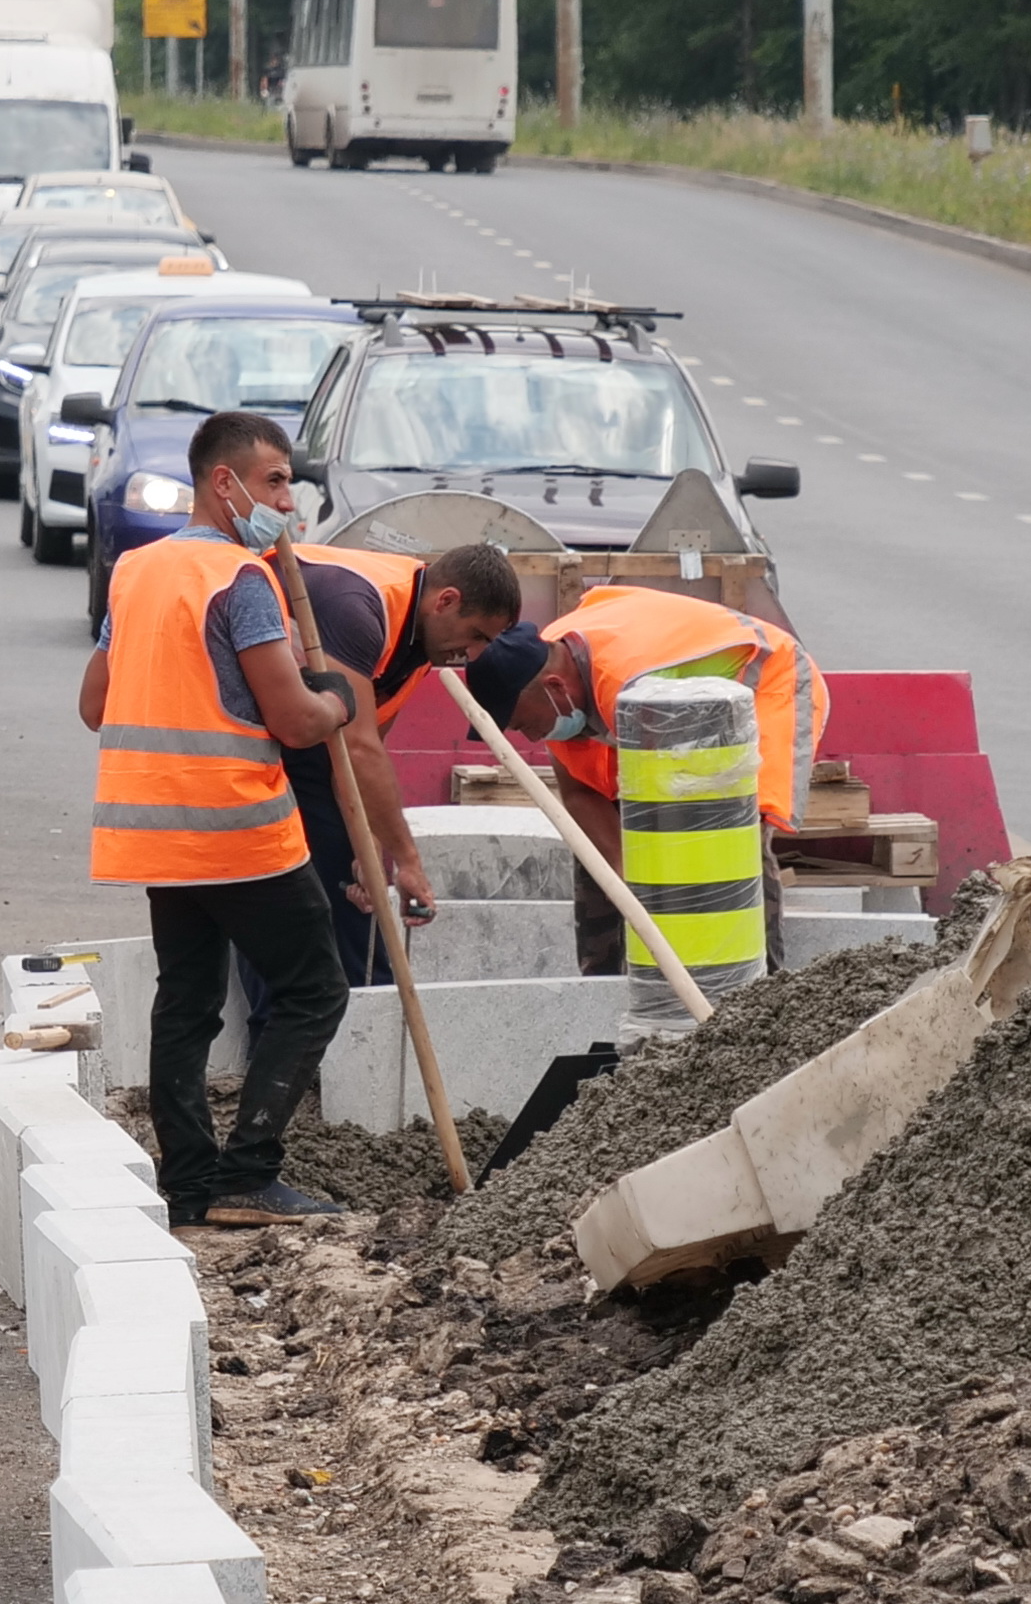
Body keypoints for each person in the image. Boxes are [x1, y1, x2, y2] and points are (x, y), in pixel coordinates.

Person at [79, 410, 368, 1225]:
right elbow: (294, 721)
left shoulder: (135, 573)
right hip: (235, 827)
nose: (286, 497)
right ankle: (249, 1171)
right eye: (275, 480)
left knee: (187, 999)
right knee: (314, 989)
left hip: (151, 832)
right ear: (224, 481)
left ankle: (189, 1185)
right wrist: (338, 701)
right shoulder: (242, 581)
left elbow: (94, 703)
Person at [512, 581, 825, 975]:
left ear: (554, 687)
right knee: (599, 849)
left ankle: (760, 992)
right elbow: (580, 795)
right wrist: (626, 879)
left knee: (728, 840)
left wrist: (657, 896)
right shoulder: (544, 665)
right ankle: (604, 988)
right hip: (654, 702)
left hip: (763, 683)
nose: (530, 737)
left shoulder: (630, 684)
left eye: (526, 724)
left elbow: (675, 820)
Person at [285, 538, 543, 982]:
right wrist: (407, 863)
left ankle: (356, 1006)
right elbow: (358, 748)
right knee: (302, 923)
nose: (476, 654)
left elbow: (356, 761)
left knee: (348, 884)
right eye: (477, 635)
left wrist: (370, 851)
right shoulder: (360, 608)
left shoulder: (421, 644)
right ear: (447, 600)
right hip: (250, 745)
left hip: (310, 743)